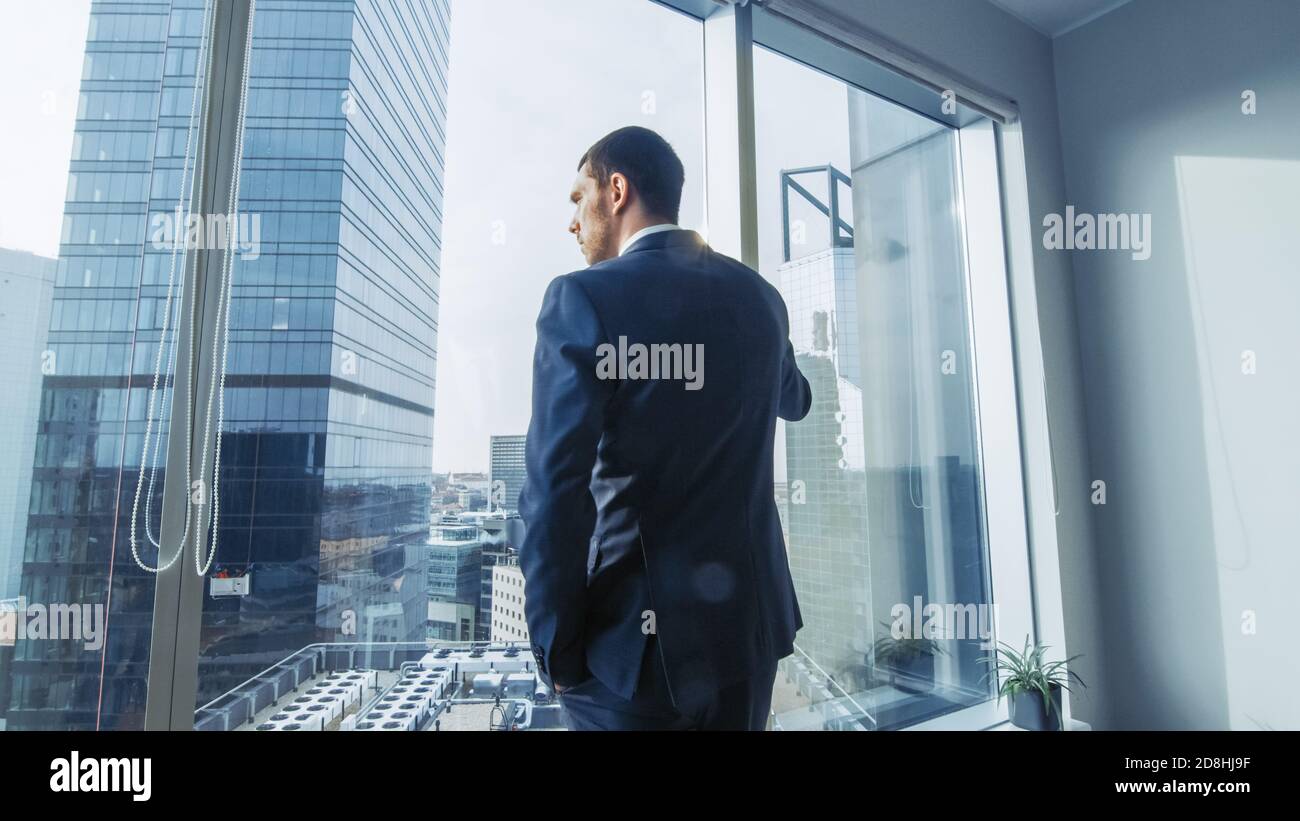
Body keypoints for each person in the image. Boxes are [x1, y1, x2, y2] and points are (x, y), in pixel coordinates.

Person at [518, 125, 811, 731]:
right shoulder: (760, 298)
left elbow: (553, 496)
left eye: (579, 199)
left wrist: (558, 656)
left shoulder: (582, 300)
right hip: (747, 640)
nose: (573, 222)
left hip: (632, 662)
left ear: (616, 190)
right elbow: (797, 400)